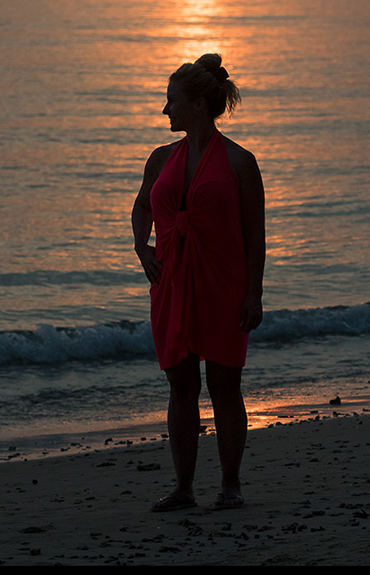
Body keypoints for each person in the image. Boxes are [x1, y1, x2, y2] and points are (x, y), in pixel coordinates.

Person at [132, 53, 265, 512]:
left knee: (225, 386)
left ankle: (231, 485)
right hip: (171, 284)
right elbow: (142, 209)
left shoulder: (239, 161)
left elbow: (255, 234)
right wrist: (141, 246)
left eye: (171, 101)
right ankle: (184, 488)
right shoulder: (160, 158)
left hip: (223, 285)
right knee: (181, 386)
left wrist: (254, 294)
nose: (164, 110)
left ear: (197, 106)